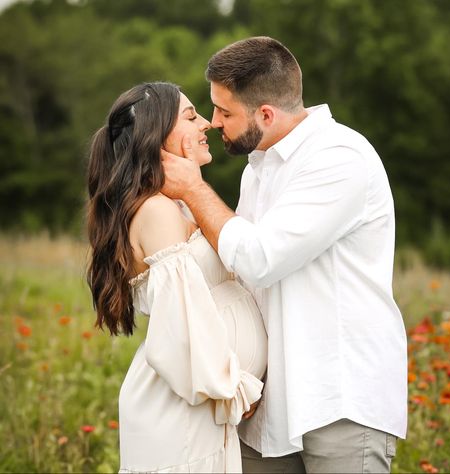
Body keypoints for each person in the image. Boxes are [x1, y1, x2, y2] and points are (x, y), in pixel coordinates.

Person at [160, 36, 408, 473]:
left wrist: (193, 189)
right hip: (268, 403)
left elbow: (259, 258)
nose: (215, 122)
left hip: (338, 402)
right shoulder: (260, 168)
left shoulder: (338, 157)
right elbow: (247, 283)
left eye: (225, 111)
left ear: (267, 115)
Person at [86, 81, 268, 473]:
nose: (206, 123)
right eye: (190, 116)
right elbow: (180, 327)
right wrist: (229, 388)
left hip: (196, 406)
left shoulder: (178, 205)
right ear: (157, 134)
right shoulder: (157, 211)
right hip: (181, 410)